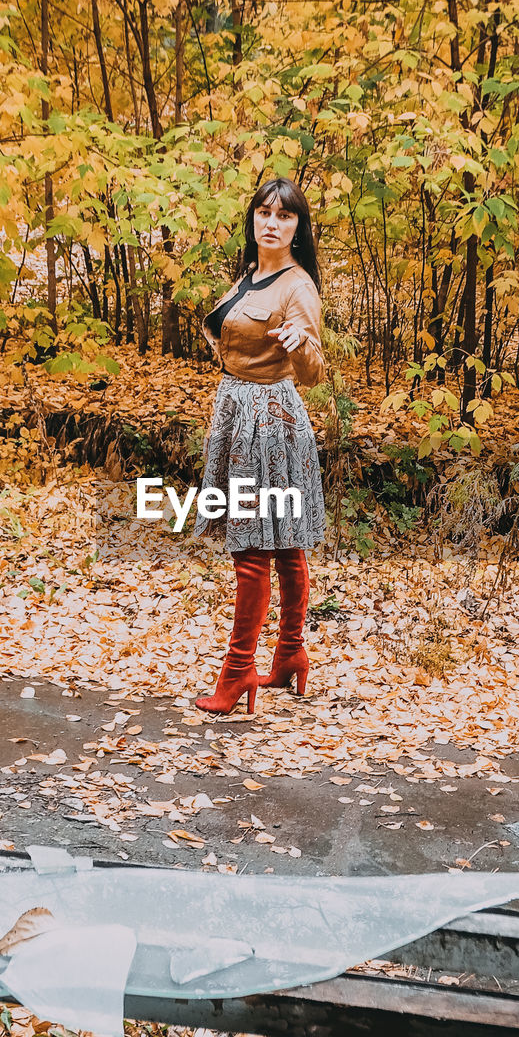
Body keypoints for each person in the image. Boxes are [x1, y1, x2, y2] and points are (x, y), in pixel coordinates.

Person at [190, 177, 328, 715]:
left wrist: (301, 347)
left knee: (252, 550)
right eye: (264, 212)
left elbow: (313, 371)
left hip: (268, 423)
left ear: (298, 227)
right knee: (286, 545)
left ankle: (238, 671)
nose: (272, 223)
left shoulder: (298, 287)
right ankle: (291, 654)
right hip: (238, 412)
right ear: (253, 219)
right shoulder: (250, 276)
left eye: (285, 216)